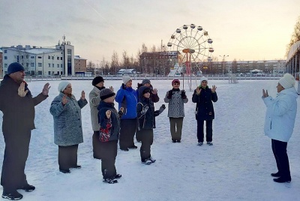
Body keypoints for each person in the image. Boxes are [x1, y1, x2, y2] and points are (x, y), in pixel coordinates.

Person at [0, 62, 50, 200]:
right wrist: (19, 97)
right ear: (12, 73)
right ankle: (8, 189)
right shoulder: (5, 86)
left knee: (22, 156)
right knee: (12, 157)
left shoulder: (23, 85)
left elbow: (29, 104)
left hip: (24, 126)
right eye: (20, 71)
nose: (23, 74)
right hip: (13, 127)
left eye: (23, 71)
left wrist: (43, 95)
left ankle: (20, 181)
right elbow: (5, 107)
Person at [262, 73, 297, 183]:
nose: (277, 86)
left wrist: (268, 100)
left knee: (281, 152)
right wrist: (269, 99)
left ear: (284, 86)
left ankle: (286, 176)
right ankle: (281, 171)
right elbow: (276, 107)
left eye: (278, 84)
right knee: (276, 151)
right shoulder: (284, 96)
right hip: (278, 130)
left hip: (281, 130)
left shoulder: (287, 97)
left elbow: (278, 111)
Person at [50, 82, 87, 174]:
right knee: (64, 148)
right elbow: (53, 111)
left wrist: (82, 100)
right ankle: (63, 167)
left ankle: (72, 163)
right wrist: (62, 104)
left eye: (71, 87)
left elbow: (76, 107)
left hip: (73, 127)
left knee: (74, 145)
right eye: (68, 87)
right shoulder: (58, 99)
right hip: (64, 128)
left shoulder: (72, 97)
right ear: (63, 89)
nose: (71, 89)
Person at [98, 88, 124, 184]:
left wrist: (120, 113)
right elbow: (103, 124)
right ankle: (107, 175)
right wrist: (106, 118)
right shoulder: (103, 109)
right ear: (105, 98)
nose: (113, 98)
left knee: (113, 155)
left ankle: (112, 172)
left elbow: (115, 120)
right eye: (111, 96)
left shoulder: (111, 107)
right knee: (107, 157)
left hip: (113, 136)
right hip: (107, 138)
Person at [137, 86, 165, 165]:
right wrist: (143, 112)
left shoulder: (150, 102)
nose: (148, 94)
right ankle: (144, 157)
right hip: (143, 126)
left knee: (149, 142)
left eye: (148, 92)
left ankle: (148, 156)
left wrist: (159, 111)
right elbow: (138, 116)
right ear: (142, 94)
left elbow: (152, 114)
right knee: (145, 142)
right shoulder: (140, 104)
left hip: (150, 125)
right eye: (146, 93)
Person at [89, 76, 114, 159]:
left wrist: (109, 93)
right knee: (97, 134)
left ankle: (103, 151)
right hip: (96, 115)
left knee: (103, 132)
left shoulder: (103, 90)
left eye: (103, 82)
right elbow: (94, 102)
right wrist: (102, 95)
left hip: (104, 114)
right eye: (101, 82)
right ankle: (96, 153)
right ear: (96, 83)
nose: (103, 83)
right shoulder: (92, 93)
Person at [192, 77, 218, 146]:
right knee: (200, 127)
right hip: (200, 111)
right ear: (201, 83)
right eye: (203, 82)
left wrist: (214, 93)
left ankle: (209, 140)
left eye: (205, 82)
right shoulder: (197, 90)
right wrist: (197, 94)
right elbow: (194, 100)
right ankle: (200, 140)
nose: (204, 83)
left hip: (209, 111)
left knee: (209, 127)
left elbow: (215, 100)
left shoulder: (210, 90)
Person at [115, 75, 138, 151]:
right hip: (125, 115)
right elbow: (118, 99)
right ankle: (123, 145)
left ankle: (130, 143)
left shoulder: (133, 91)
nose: (130, 83)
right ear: (125, 83)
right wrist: (122, 90)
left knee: (132, 130)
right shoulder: (121, 91)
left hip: (133, 115)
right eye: (128, 81)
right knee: (124, 131)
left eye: (131, 81)